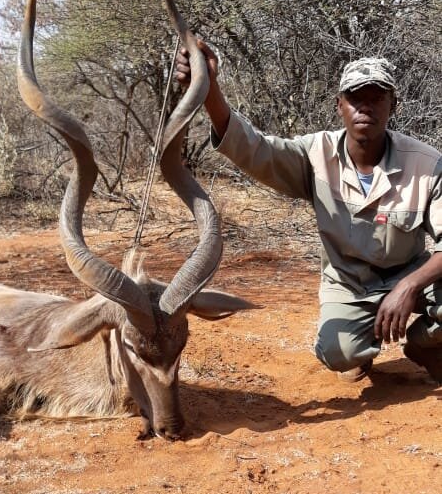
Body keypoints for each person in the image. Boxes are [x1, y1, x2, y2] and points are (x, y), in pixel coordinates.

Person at [176, 45, 442, 383]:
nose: (365, 106)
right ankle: (360, 345)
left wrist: (407, 286)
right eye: (355, 97)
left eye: (377, 97)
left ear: (393, 106)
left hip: (409, 275)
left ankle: (425, 345)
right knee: (338, 352)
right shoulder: (315, 154)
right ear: (339, 105)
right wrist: (209, 88)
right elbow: (255, 149)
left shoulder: (426, 162)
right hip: (350, 283)